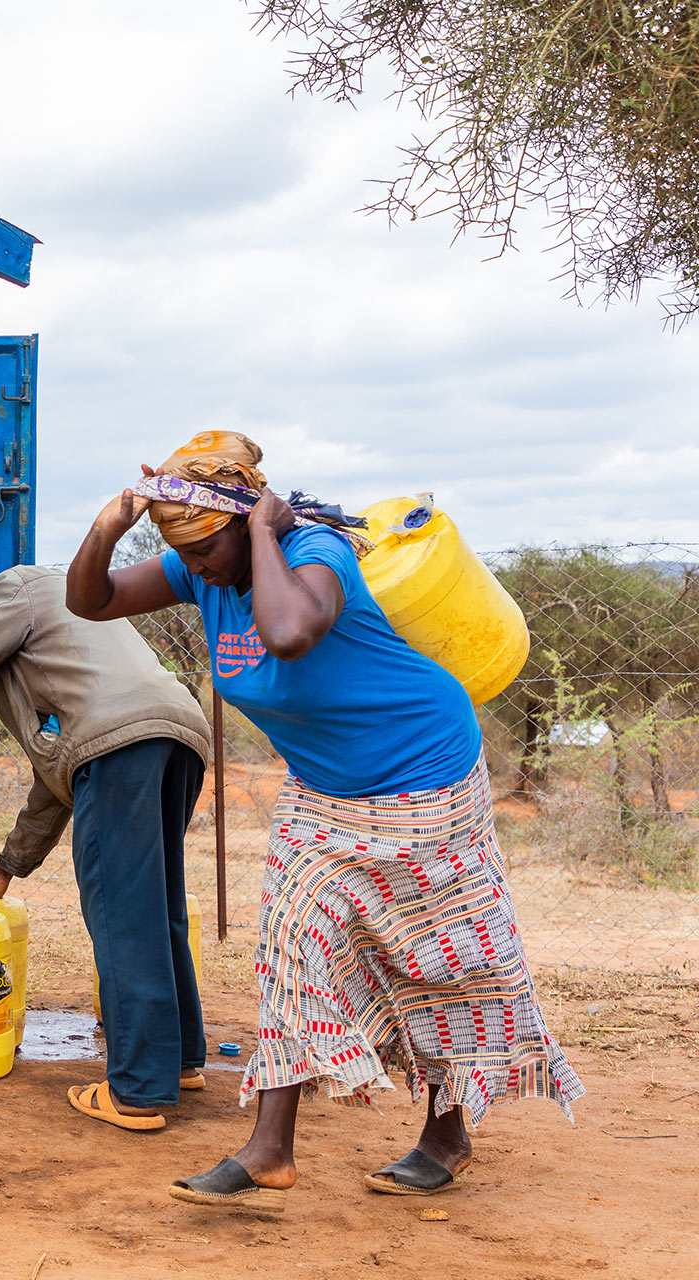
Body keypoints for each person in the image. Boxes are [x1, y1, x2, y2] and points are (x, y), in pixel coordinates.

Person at [68, 430, 582, 1211]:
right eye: (189, 554)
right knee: (291, 946)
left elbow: (291, 632)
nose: (199, 567)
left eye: (210, 549)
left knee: (432, 959)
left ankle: (447, 1135)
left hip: (425, 778)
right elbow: (92, 600)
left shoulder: (316, 554)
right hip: (324, 792)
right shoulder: (198, 567)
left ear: (248, 521)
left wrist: (272, 536)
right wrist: (110, 525)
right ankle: (270, 1149)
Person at [0, 566, 212, 1130]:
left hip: (121, 749)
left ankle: (136, 1089)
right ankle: (178, 1059)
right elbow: (60, 774)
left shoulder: (18, 588)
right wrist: (9, 866)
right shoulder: (74, 637)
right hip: (179, 737)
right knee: (157, 906)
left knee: (121, 915)